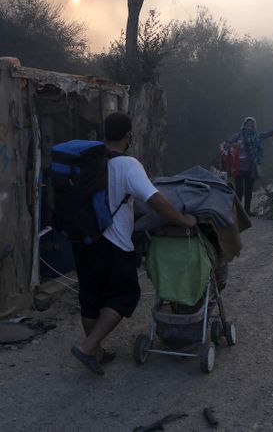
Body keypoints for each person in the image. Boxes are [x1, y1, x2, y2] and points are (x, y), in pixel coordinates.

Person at [70, 112, 197, 376]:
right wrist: (184, 221)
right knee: (126, 295)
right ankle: (87, 347)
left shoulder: (88, 158)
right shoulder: (128, 165)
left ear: (105, 132)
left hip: (83, 239)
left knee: (90, 298)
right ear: (128, 136)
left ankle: (97, 351)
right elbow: (156, 200)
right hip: (114, 243)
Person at [225, 116, 273, 215]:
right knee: (239, 188)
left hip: (251, 167)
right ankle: (237, 211)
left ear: (254, 126)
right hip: (238, 167)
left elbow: (270, 133)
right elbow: (226, 144)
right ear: (244, 125)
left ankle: (247, 211)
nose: (249, 126)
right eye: (247, 124)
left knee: (249, 189)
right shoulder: (238, 136)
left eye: (251, 125)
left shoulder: (257, 136)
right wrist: (233, 145)